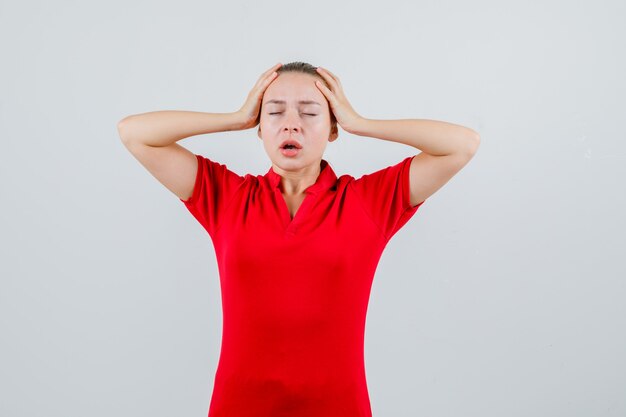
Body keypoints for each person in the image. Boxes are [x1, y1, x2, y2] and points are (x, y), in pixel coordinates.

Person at [117, 61, 480, 417]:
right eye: (274, 112)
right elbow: (135, 133)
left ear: (333, 128)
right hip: (239, 406)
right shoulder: (228, 197)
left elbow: (462, 144)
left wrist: (361, 123)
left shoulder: (367, 202)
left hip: (339, 407)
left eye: (309, 113)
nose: (291, 124)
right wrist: (236, 117)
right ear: (259, 128)